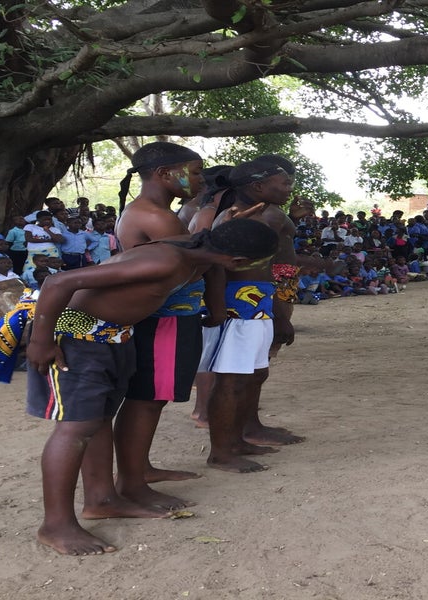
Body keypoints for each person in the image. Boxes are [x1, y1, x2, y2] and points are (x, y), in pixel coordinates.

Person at [24, 218, 277, 555]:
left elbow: (213, 271)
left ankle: (103, 499)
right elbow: (59, 282)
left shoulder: (198, 253)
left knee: (99, 419)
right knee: (77, 427)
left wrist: (216, 310)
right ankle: (55, 525)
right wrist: (40, 341)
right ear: (239, 261)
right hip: (78, 337)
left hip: (114, 336)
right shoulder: (166, 260)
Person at [113, 142, 219, 508]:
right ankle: (132, 483)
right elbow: (191, 266)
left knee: (150, 399)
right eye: (195, 172)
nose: (200, 180)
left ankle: (140, 469)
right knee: (147, 399)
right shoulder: (156, 217)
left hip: (169, 316)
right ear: (163, 174)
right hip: (164, 319)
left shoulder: (154, 212)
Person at [202, 154, 313, 473]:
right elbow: (219, 267)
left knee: (252, 373)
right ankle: (221, 452)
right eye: (285, 183)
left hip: (255, 301)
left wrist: (275, 311)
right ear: (259, 186)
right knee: (231, 379)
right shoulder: (242, 219)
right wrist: (279, 315)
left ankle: (239, 438)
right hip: (240, 304)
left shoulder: (259, 214)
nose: (290, 188)